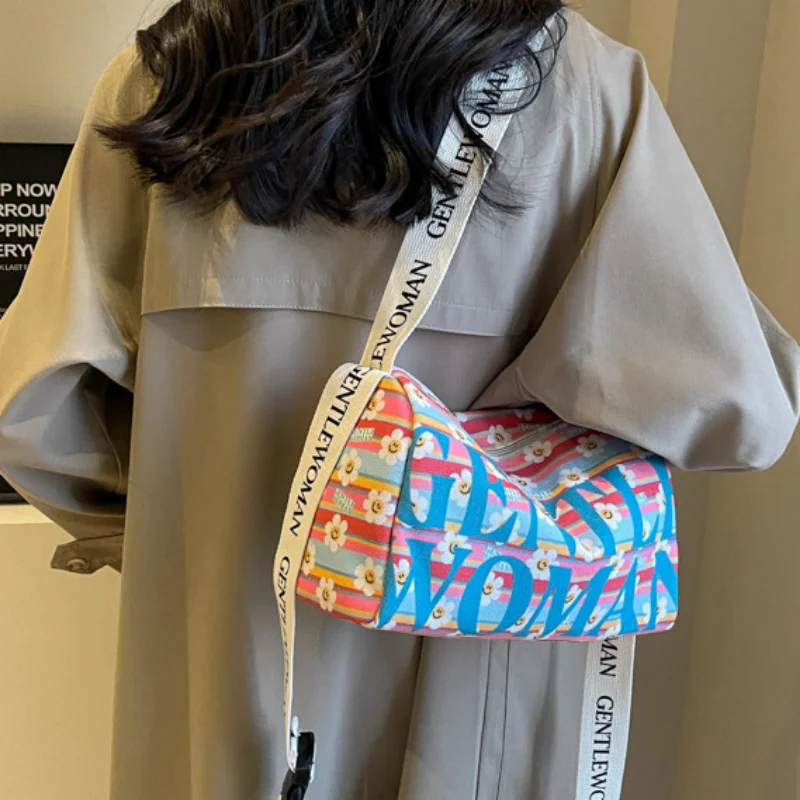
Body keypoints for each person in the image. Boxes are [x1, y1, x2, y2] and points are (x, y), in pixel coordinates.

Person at [0, 2, 797, 799]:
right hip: (473, 697)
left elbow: (38, 421)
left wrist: (194, 533)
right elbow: (743, 409)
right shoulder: (585, 89)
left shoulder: (166, 81)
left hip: (218, 661)